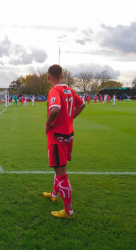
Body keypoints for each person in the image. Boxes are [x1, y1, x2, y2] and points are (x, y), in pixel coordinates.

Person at [43, 64, 85, 219]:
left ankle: (69, 211)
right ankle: (54, 194)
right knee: (59, 167)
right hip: (68, 135)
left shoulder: (55, 90)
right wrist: (69, 118)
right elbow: (82, 105)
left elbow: (55, 109)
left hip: (57, 136)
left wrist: (48, 124)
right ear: (62, 76)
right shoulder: (69, 90)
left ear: (48, 77)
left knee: (61, 172)